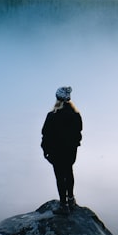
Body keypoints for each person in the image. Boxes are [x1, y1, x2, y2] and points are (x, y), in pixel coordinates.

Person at [41, 85, 83, 213]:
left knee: (60, 177)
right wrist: (74, 145)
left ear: (57, 99)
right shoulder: (76, 115)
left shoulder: (52, 116)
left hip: (56, 152)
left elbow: (45, 134)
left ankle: (63, 205)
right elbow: (78, 133)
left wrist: (45, 151)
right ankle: (71, 200)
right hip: (70, 151)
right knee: (69, 172)